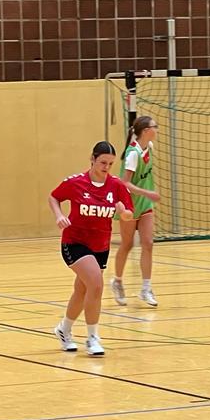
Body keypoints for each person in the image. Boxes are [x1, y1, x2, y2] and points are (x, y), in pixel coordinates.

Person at [48, 141, 156, 356]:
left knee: (82, 290)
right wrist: (59, 215)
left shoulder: (116, 186)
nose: (106, 167)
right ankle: (93, 338)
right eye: (102, 162)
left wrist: (123, 213)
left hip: (100, 245)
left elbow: (129, 214)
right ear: (92, 159)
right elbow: (54, 197)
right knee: (96, 285)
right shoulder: (76, 182)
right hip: (75, 242)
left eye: (110, 164)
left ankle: (64, 329)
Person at [112, 116, 160, 306]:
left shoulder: (150, 148)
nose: (157, 129)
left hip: (145, 205)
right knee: (127, 244)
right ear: (146, 131)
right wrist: (148, 192)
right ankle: (117, 281)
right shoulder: (133, 154)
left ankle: (146, 288)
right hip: (129, 204)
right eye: (154, 127)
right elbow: (124, 183)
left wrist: (147, 196)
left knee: (148, 243)